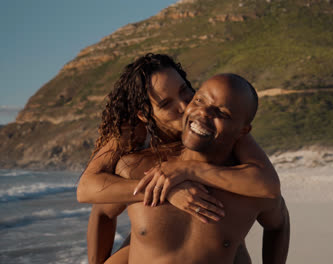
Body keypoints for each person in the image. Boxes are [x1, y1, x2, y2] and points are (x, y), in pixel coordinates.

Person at [76, 54, 281, 263]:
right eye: (166, 104)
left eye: (185, 91)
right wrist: (165, 189)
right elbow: (87, 190)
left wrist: (187, 170)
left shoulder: (221, 127)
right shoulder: (132, 135)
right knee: (148, 235)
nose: (184, 106)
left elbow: (268, 185)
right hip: (154, 230)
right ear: (145, 115)